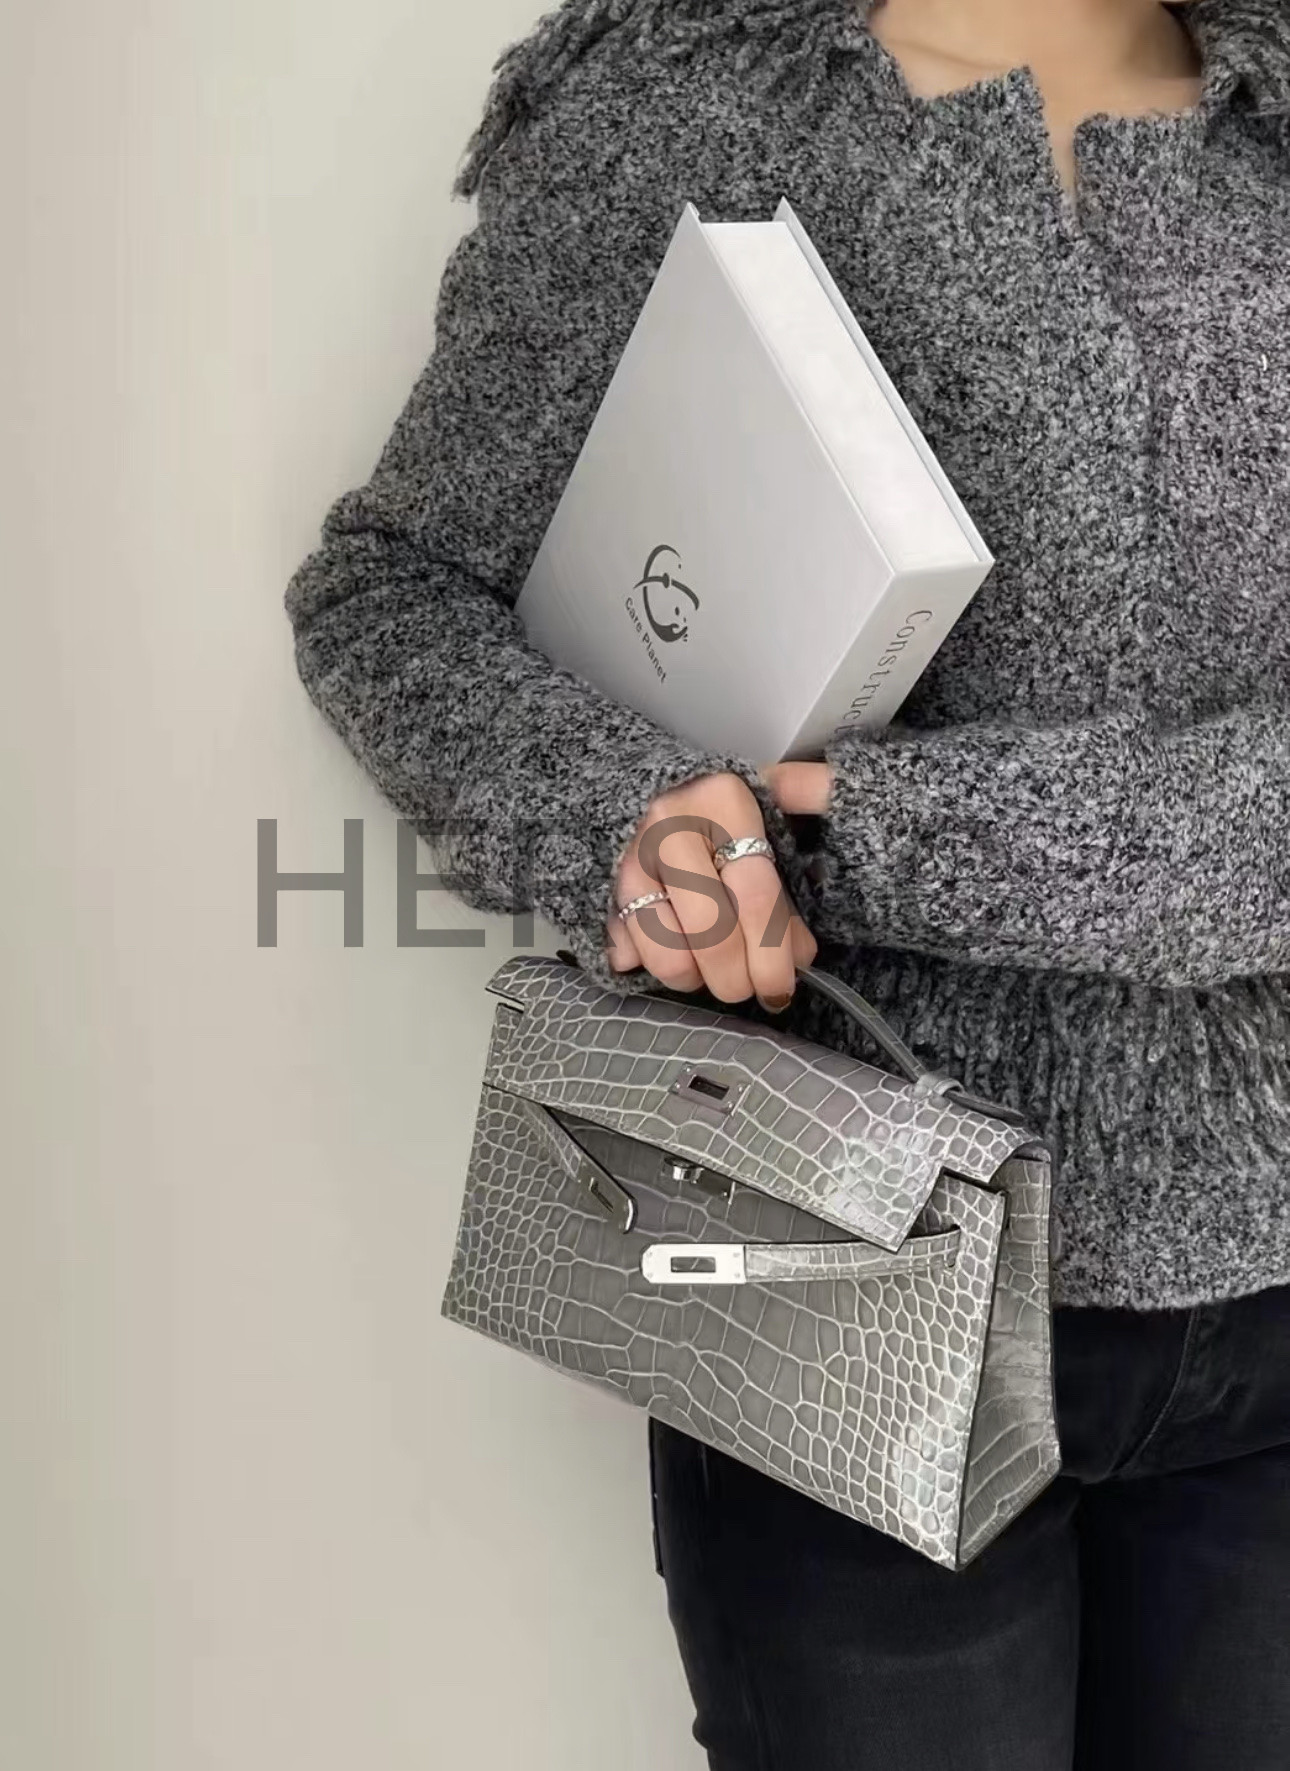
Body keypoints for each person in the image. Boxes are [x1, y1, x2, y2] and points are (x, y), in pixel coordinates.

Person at [284, 1, 1290, 1764]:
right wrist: (634, 826)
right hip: (820, 1254)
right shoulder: (693, 98)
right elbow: (396, 589)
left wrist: (840, 835)